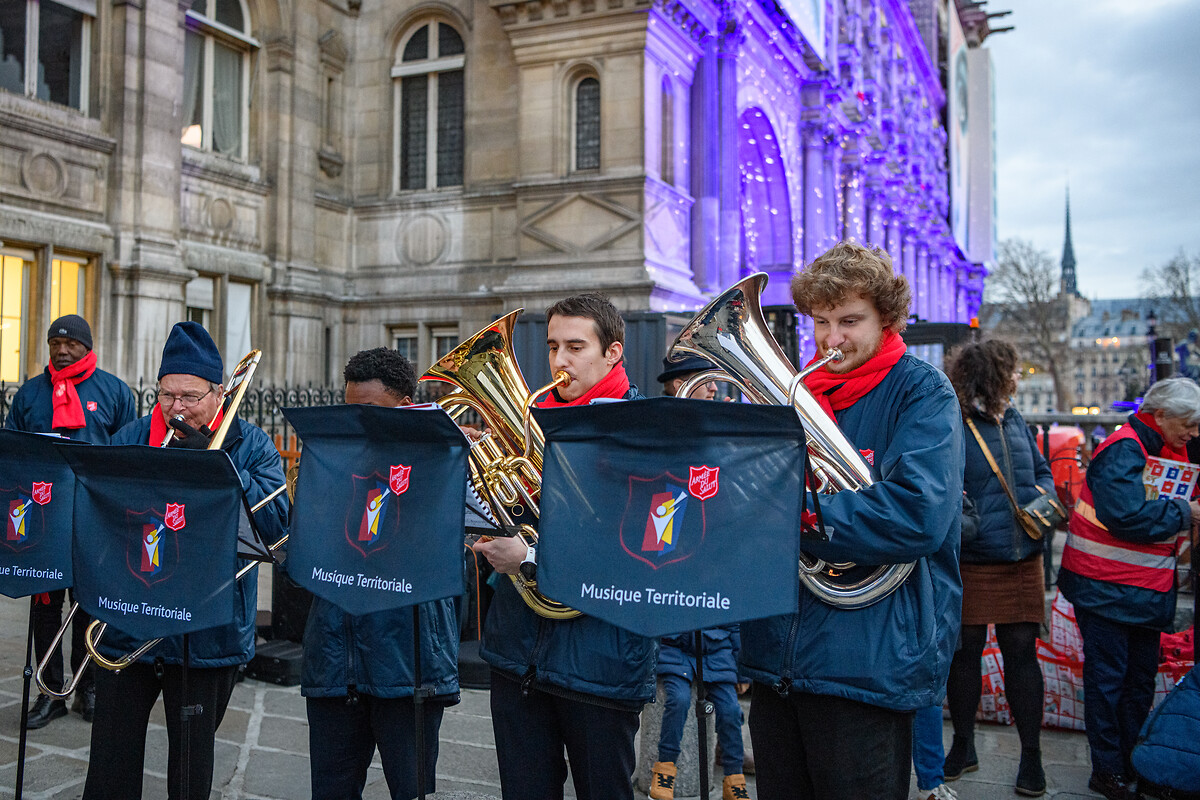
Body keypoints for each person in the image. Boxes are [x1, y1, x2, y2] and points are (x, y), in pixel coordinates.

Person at [737, 241, 964, 800]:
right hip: (779, 656)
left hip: (868, 660)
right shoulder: (795, 396)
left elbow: (918, 514)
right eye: (820, 322)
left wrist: (789, 512)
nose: (831, 339)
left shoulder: (922, 391)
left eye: (849, 321)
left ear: (887, 320)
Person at [81, 322, 288, 800]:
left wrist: (219, 468)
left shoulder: (250, 443)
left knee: (192, 767)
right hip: (130, 617)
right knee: (110, 761)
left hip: (206, 629)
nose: (177, 407)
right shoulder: (132, 436)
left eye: (190, 397)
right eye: (167, 395)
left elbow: (277, 522)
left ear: (218, 394)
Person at [472, 293, 657, 800]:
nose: (559, 361)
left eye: (576, 347)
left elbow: (641, 546)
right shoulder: (529, 420)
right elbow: (511, 515)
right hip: (518, 652)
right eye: (553, 346)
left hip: (600, 661)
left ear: (613, 353)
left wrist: (530, 557)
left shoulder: (645, 427)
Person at [300, 347, 460, 799]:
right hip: (335, 655)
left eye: (369, 410)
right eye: (351, 410)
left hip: (408, 659)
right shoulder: (335, 460)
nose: (358, 423)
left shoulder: (442, 460)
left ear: (406, 407)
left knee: (409, 789)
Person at [1057, 377, 1200, 800]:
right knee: (1110, 683)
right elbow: (1126, 517)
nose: (1194, 433)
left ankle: (1128, 764)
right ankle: (1108, 770)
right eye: (1189, 424)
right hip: (1107, 588)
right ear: (1162, 416)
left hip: (1139, 589)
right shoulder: (1124, 448)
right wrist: (1185, 512)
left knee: (1136, 683)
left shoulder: (1156, 446)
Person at [4, 314, 136, 728]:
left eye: (71, 344)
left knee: (89, 605)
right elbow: (12, 453)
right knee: (45, 609)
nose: (61, 351)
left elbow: (128, 454)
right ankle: (49, 692)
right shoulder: (29, 394)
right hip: (43, 519)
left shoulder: (115, 392)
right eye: (54, 344)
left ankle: (88, 687)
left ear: (87, 347)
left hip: (95, 518)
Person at [943, 340, 1055, 797]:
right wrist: (972, 526)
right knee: (965, 656)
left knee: (1022, 655)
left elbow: (1042, 471)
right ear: (991, 376)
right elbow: (948, 486)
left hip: (1022, 557)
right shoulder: (956, 422)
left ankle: (1032, 757)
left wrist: (1043, 500)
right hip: (975, 559)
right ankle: (964, 745)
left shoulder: (1015, 419)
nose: (1016, 379)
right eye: (1010, 372)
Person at [650, 355, 749, 800]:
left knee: (728, 709)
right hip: (677, 606)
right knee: (677, 700)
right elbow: (658, 534)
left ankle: (732, 776)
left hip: (715, 609)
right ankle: (665, 770)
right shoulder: (666, 429)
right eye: (702, 380)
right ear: (677, 384)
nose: (713, 387)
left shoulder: (722, 425)